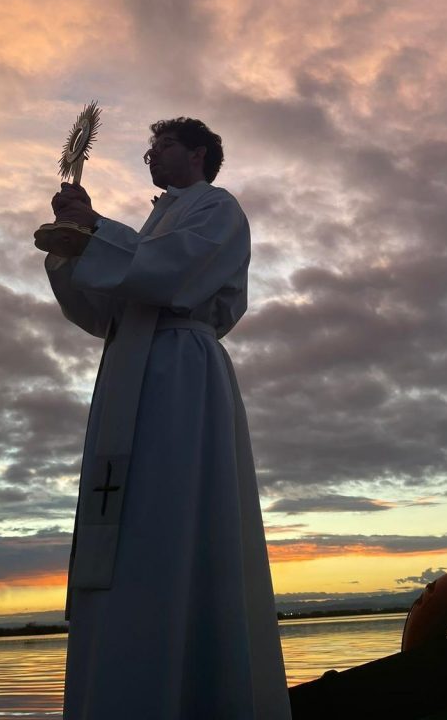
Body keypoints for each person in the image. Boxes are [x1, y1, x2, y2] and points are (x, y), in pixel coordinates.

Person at [44, 116, 290, 719]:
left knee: (177, 511)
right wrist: (71, 249)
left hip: (180, 372)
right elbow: (102, 311)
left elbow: (175, 270)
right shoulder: (155, 222)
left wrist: (96, 230)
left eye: (165, 144)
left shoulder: (216, 208)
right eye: (151, 147)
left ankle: (202, 689)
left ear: (199, 153)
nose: (151, 154)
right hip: (127, 370)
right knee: (128, 530)